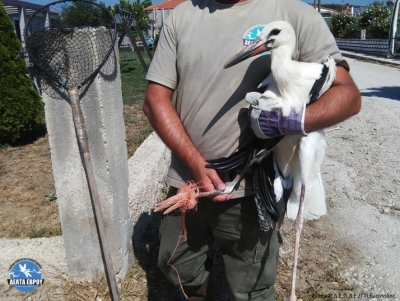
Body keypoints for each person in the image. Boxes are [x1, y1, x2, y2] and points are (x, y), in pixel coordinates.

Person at [143, 0, 361, 300]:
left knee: (249, 291)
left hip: (252, 188)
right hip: (189, 183)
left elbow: (348, 95)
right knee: (177, 268)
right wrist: (196, 165)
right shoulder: (181, 16)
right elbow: (154, 100)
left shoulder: (294, 13)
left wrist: (294, 122)